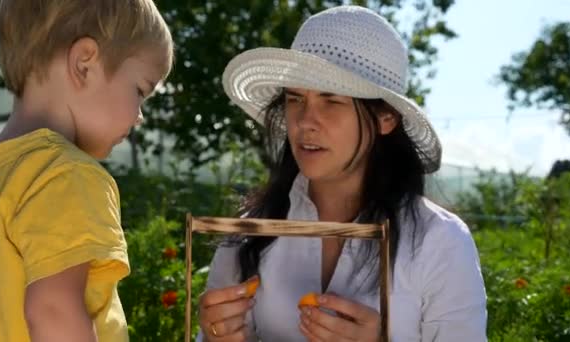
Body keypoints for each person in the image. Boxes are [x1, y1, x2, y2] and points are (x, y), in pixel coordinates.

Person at [196, 5, 487, 342]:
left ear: (385, 118)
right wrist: (218, 335)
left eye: (331, 101)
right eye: (295, 99)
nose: (305, 121)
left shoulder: (440, 242)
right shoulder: (250, 230)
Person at [0, 1, 173, 341]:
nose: (139, 117)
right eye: (140, 91)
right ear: (85, 64)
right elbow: (54, 310)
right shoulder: (67, 176)